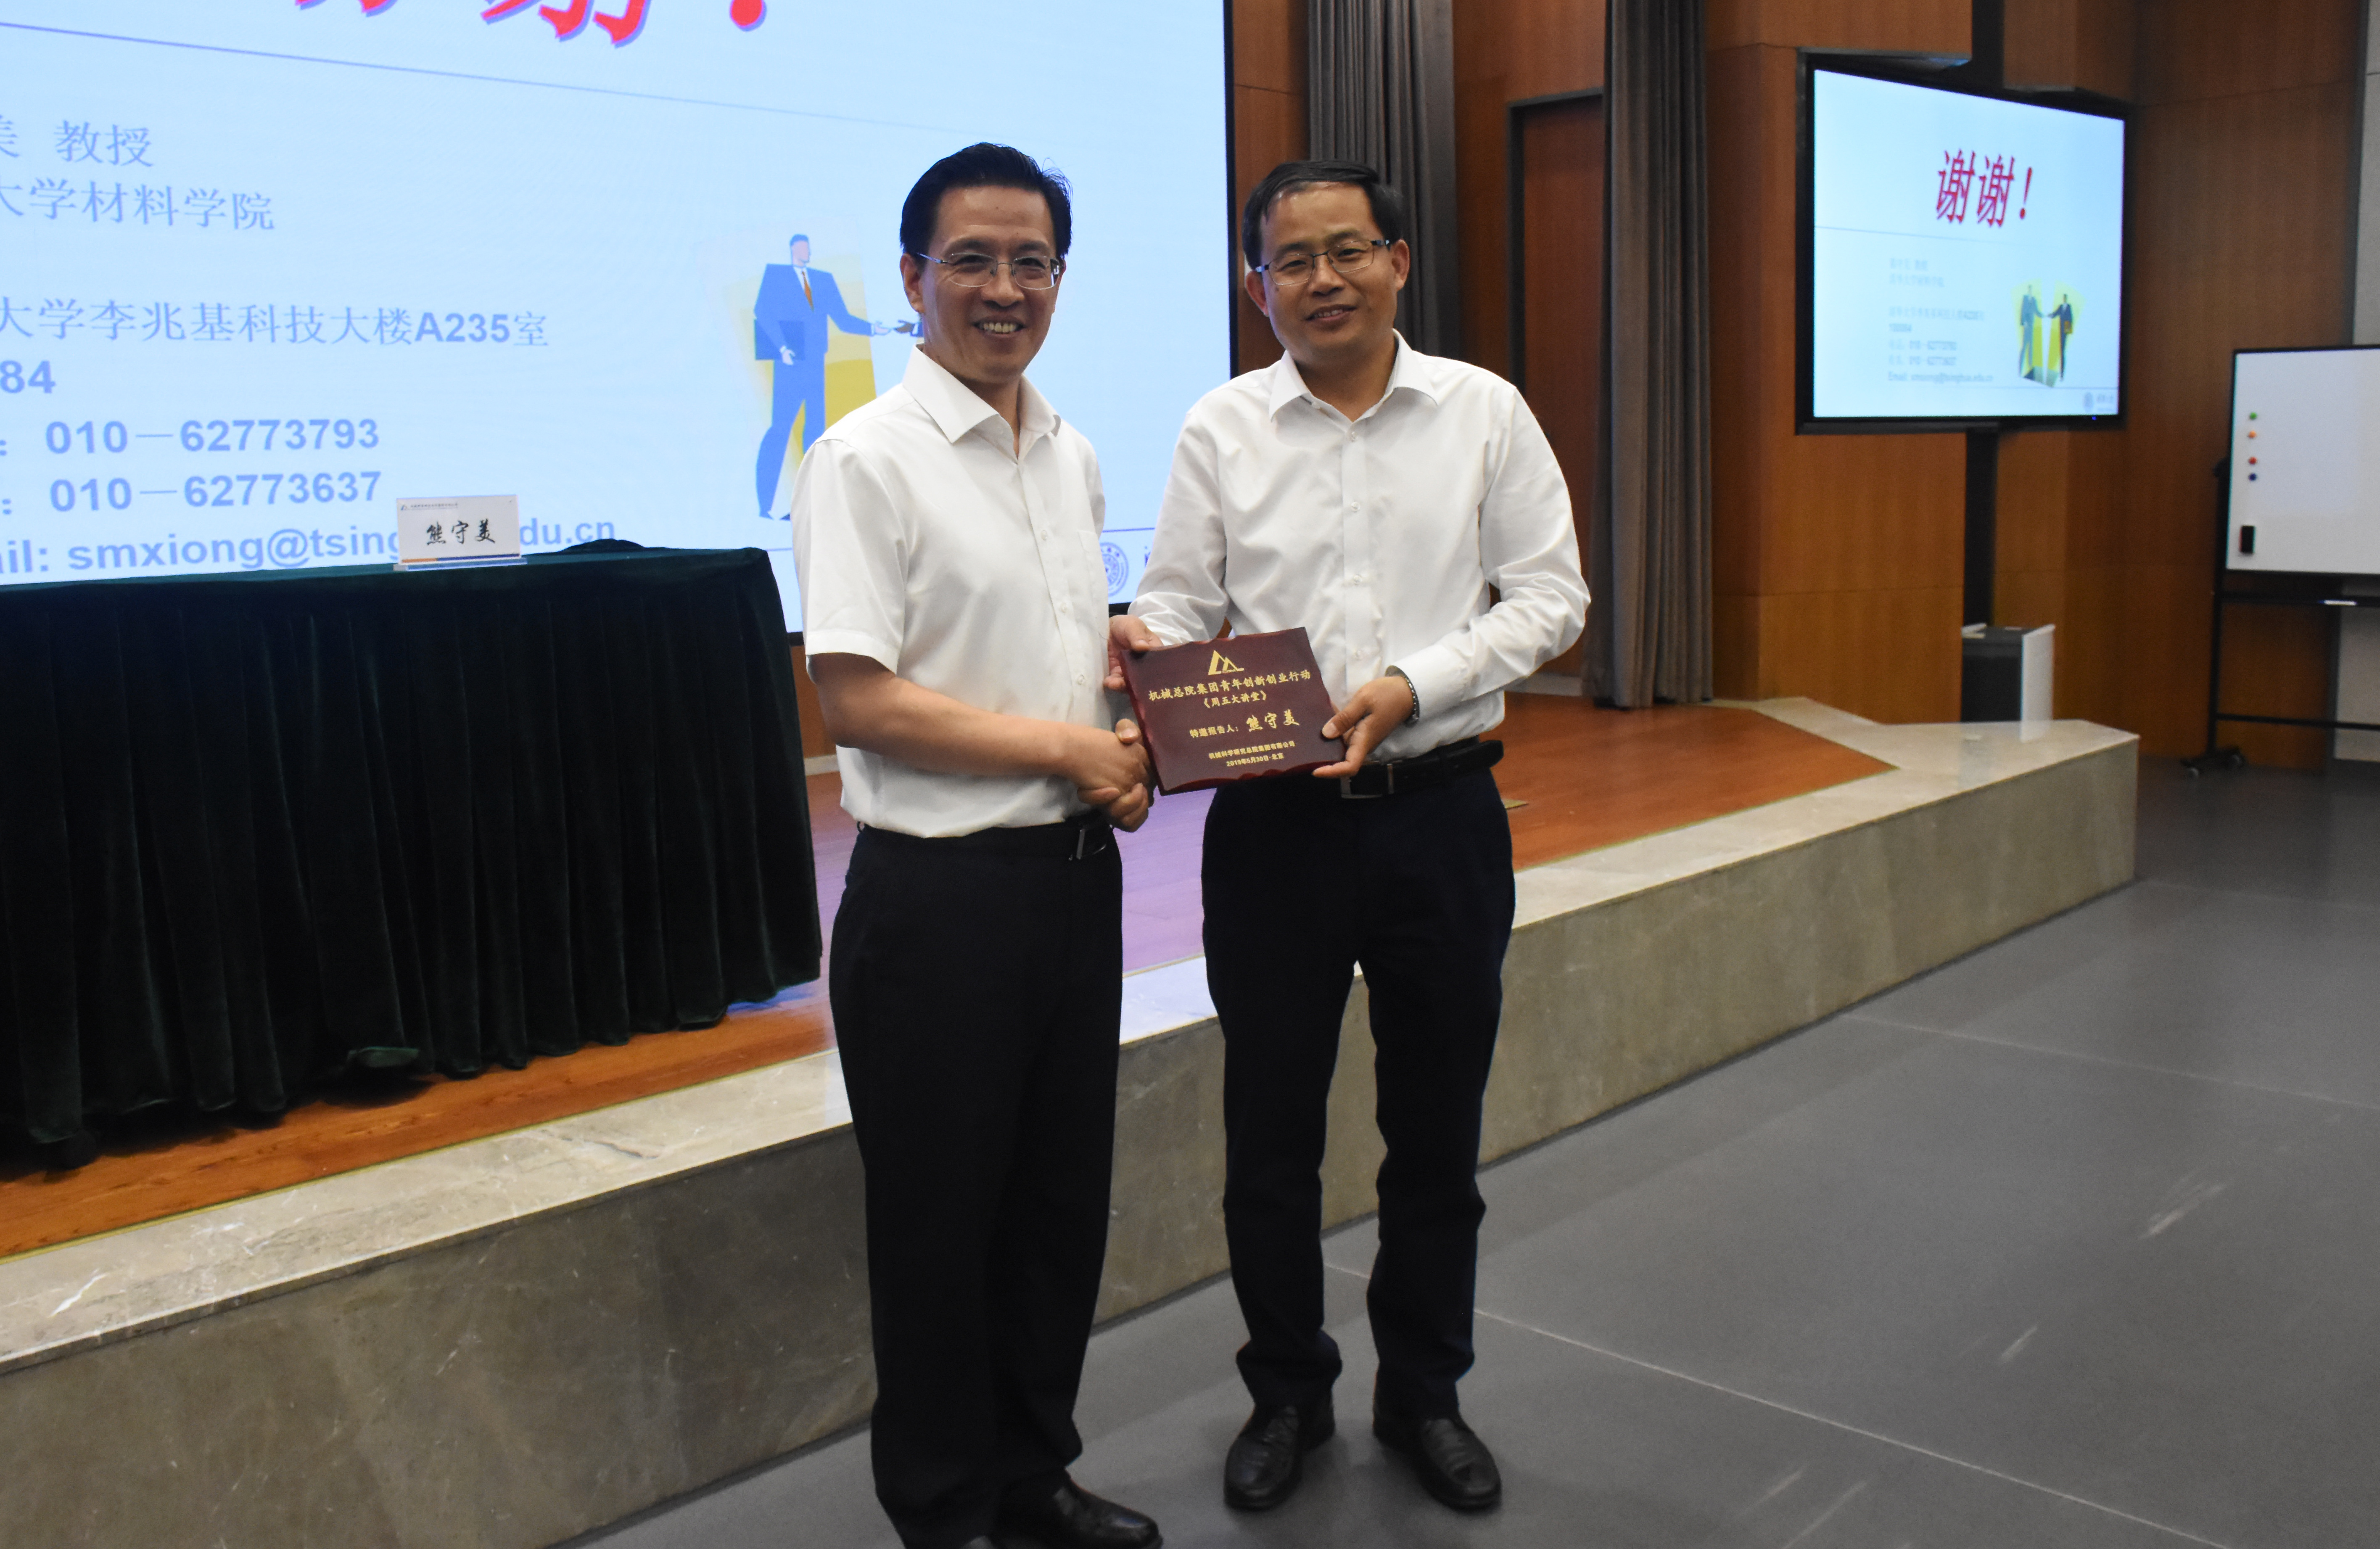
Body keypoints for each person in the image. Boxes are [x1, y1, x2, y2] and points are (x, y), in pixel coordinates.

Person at [1111, 158, 1587, 1516]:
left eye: (1347, 250)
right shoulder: (1222, 426)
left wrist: (1412, 684)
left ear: (1397, 261)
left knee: (1435, 1131)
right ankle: (1287, 1390)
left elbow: (1550, 599)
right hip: (1275, 828)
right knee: (1268, 1133)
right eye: (1291, 260)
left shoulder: (1483, 411)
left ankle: (1424, 1391)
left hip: (1441, 814)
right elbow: (1179, 604)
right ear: (1254, 286)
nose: (1322, 279)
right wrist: (1146, 664)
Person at [791, 143, 1162, 1549]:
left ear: (1059, 277)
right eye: (972, 260)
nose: (1004, 289)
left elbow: (1041, 651)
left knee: (1057, 1207)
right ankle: (944, 1510)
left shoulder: (1069, 452)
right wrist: (1068, 750)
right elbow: (858, 697)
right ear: (911, 278)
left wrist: (1121, 710)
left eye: (1031, 262)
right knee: (939, 1228)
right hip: (937, 904)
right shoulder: (864, 459)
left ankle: (1029, 1474)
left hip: (1071, 887)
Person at [756, 233, 882, 518]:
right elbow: (763, 313)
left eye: (808, 247)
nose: (807, 251)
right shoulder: (777, 277)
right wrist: (782, 348)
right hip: (789, 364)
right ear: (793, 249)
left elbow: (843, 320)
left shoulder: (822, 280)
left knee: (815, 433)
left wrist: (875, 329)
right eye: (802, 247)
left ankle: (808, 506)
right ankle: (766, 506)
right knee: (780, 429)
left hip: (815, 363)